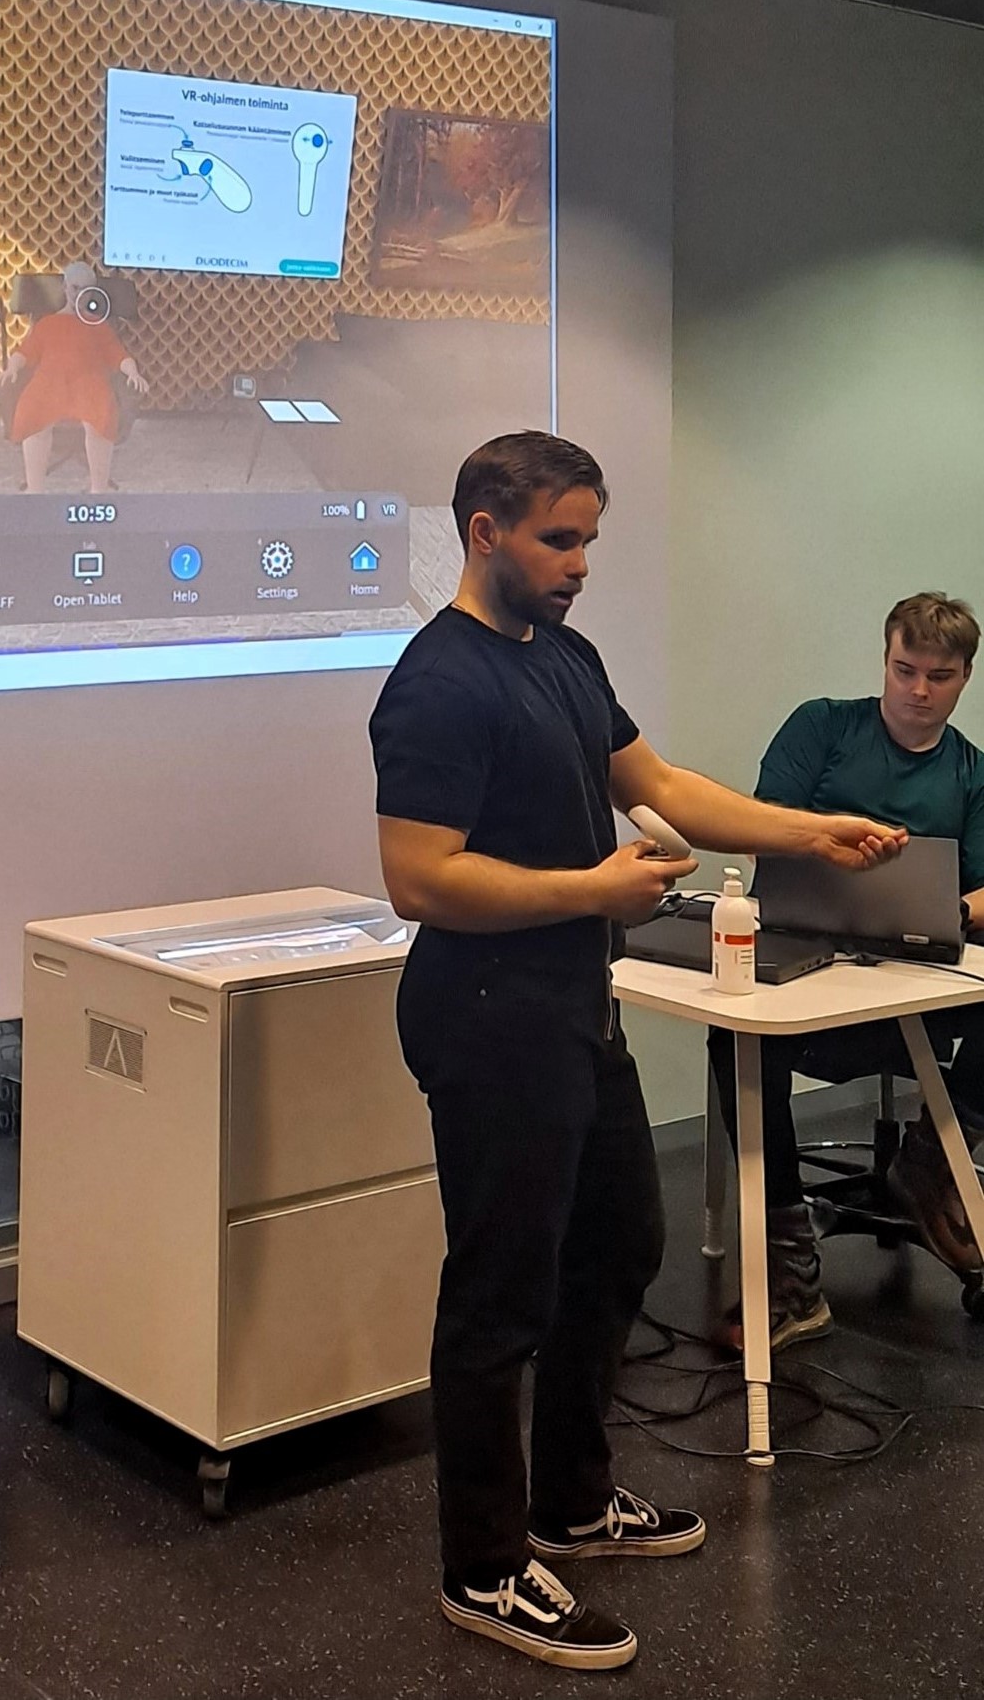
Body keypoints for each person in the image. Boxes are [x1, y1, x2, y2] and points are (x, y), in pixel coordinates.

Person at [368, 430, 904, 1671]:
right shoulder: (436, 683)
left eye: (589, 540)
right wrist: (591, 891)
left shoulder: (562, 657)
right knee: (498, 1294)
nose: (579, 563)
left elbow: (655, 780)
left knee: (616, 1243)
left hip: (569, 1003)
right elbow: (417, 879)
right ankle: (482, 1568)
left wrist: (808, 831)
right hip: (486, 1015)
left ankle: (568, 1500)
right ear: (483, 533)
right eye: (558, 539)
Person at [708, 592, 984, 1353]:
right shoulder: (823, 728)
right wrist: (830, 844)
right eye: (904, 670)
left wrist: (950, 911)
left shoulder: (971, 772)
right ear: (884, 661)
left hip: (913, 986)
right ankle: (791, 1264)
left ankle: (933, 1162)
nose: (918, 690)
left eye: (939, 676)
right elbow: (763, 825)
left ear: (964, 677)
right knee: (736, 1036)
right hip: (804, 968)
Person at [0, 262, 148, 493]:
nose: (80, 295)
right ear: (65, 288)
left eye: (87, 290)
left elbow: (118, 355)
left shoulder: (98, 325)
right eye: (76, 288)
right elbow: (25, 352)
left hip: (89, 382)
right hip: (49, 382)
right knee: (33, 416)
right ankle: (35, 490)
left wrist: (133, 372)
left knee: (101, 419)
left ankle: (98, 490)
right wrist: (11, 369)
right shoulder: (47, 323)